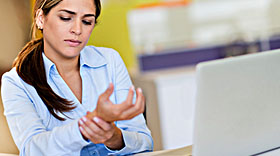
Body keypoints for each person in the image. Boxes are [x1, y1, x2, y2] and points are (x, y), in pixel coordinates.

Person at [0, 0, 153, 155]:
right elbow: (33, 149)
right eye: (66, 18)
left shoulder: (110, 60)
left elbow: (144, 142)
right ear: (41, 18)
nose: (77, 30)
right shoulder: (15, 82)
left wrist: (113, 137)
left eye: (87, 21)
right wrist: (86, 128)